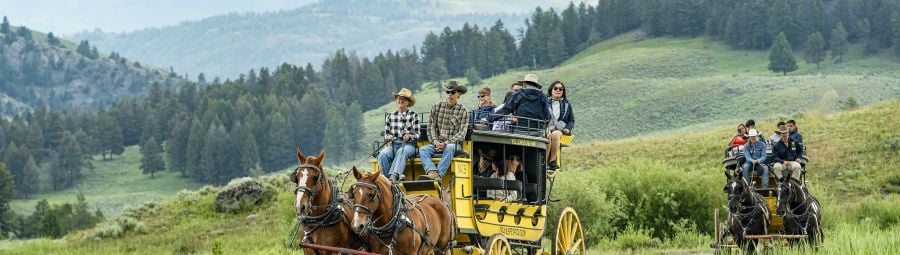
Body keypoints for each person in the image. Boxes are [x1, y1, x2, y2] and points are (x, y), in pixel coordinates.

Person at [418, 81, 469, 180]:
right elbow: (431, 127)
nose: (450, 94)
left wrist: (445, 143)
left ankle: (439, 176)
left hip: (454, 145)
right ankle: (432, 171)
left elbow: (462, 133)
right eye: (448, 92)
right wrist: (436, 142)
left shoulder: (463, 110)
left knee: (449, 147)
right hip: (437, 144)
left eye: (453, 92)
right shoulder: (437, 107)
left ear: (458, 94)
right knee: (423, 149)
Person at [376, 88, 420, 182]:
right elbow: (386, 133)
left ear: (408, 102)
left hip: (409, 145)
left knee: (401, 151)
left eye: (404, 99)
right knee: (382, 154)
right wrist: (388, 137)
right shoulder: (390, 116)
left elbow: (417, 134)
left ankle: (394, 176)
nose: (401, 100)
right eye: (399, 98)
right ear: (396, 101)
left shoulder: (413, 115)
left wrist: (409, 136)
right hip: (393, 144)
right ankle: (385, 180)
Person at [546, 81, 574, 171]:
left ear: (563, 91)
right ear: (551, 90)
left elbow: (571, 120)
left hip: (560, 129)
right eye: (556, 88)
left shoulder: (567, 105)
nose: (558, 90)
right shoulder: (545, 103)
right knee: (548, 135)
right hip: (546, 127)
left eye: (561, 89)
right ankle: (544, 161)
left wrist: (567, 128)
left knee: (555, 134)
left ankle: (553, 160)